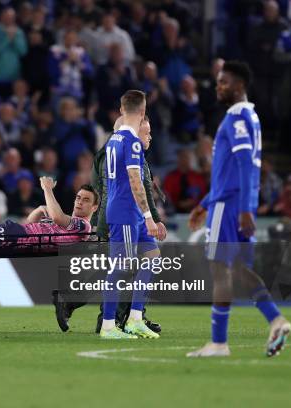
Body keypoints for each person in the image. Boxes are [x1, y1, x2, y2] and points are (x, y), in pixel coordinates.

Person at [187, 61, 291, 357]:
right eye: (218, 82)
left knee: (220, 269)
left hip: (231, 206)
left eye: (225, 82)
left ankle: (218, 343)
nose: (219, 87)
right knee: (238, 268)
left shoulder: (235, 118)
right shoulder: (250, 117)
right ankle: (276, 319)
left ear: (240, 86)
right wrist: (204, 204)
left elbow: (246, 166)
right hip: (233, 202)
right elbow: (231, 173)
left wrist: (244, 208)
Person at [53, 115, 165, 333]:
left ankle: (124, 316)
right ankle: (110, 318)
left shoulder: (118, 151)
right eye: (146, 131)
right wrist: (99, 221)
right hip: (117, 216)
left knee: (127, 265)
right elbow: (106, 189)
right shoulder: (119, 152)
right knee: (124, 267)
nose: (149, 136)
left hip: (123, 215)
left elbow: (144, 187)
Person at [98, 90, 161, 340]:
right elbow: (136, 180)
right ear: (143, 112)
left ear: (122, 110)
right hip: (125, 210)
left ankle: (135, 319)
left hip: (131, 210)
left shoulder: (115, 138)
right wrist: (148, 215)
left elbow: (120, 123)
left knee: (153, 258)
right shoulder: (131, 142)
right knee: (120, 267)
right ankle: (108, 325)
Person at [0, 178, 96, 245]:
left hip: (19, 238)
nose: (79, 202)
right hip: (18, 230)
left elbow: (57, 217)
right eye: (78, 198)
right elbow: (29, 223)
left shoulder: (84, 226)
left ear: (94, 208)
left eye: (86, 200)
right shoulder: (68, 221)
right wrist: (39, 210)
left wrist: (47, 189)